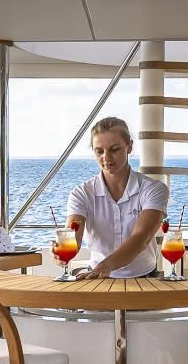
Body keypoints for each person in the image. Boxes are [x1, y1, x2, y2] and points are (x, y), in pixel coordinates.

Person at [66, 116, 168, 279]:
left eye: (114, 149)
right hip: (97, 277)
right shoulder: (81, 193)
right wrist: (62, 248)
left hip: (143, 278)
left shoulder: (153, 189)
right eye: (99, 151)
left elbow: (141, 238)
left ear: (129, 147)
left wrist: (106, 266)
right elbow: (72, 237)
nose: (106, 157)